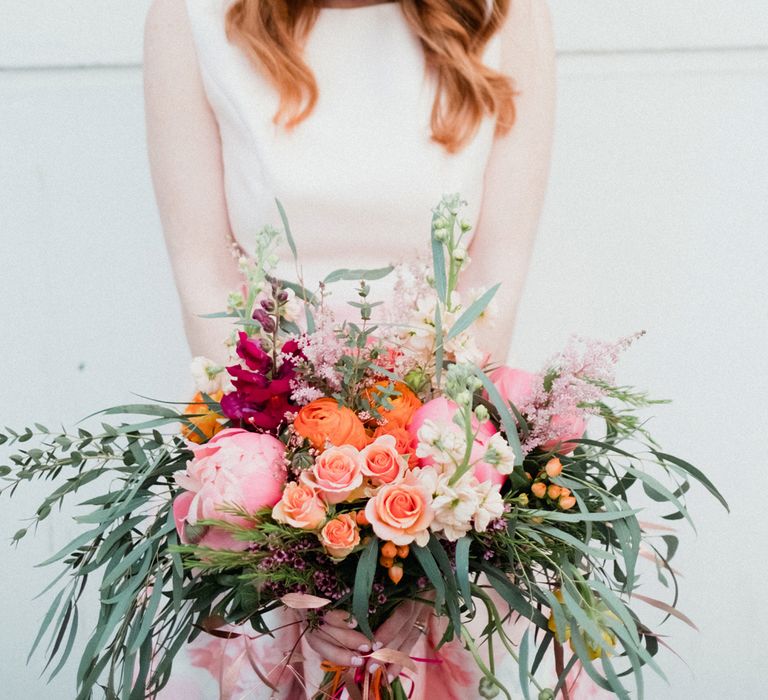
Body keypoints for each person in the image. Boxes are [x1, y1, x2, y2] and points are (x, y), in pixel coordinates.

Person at [144, 1, 596, 698]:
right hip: (264, 460)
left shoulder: (506, 15)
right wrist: (297, 548)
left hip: (442, 465)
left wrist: (426, 540)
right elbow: (204, 274)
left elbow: (493, 278)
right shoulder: (190, 16)